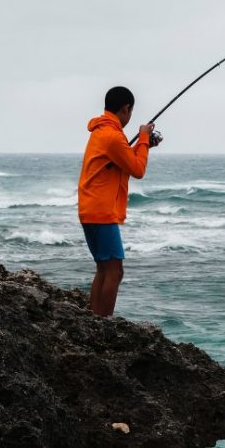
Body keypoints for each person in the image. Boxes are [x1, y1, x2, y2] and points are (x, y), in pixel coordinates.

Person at [78, 86, 161, 317]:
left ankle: (93, 318)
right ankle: (103, 322)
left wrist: (143, 145)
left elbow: (122, 159)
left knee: (104, 269)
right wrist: (143, 136)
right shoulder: (112, 135)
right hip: (101, 211)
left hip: (90, 208)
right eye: (130, 111)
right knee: (115, 271)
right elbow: (137, 169)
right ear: (126, 108)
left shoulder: (101, 131)